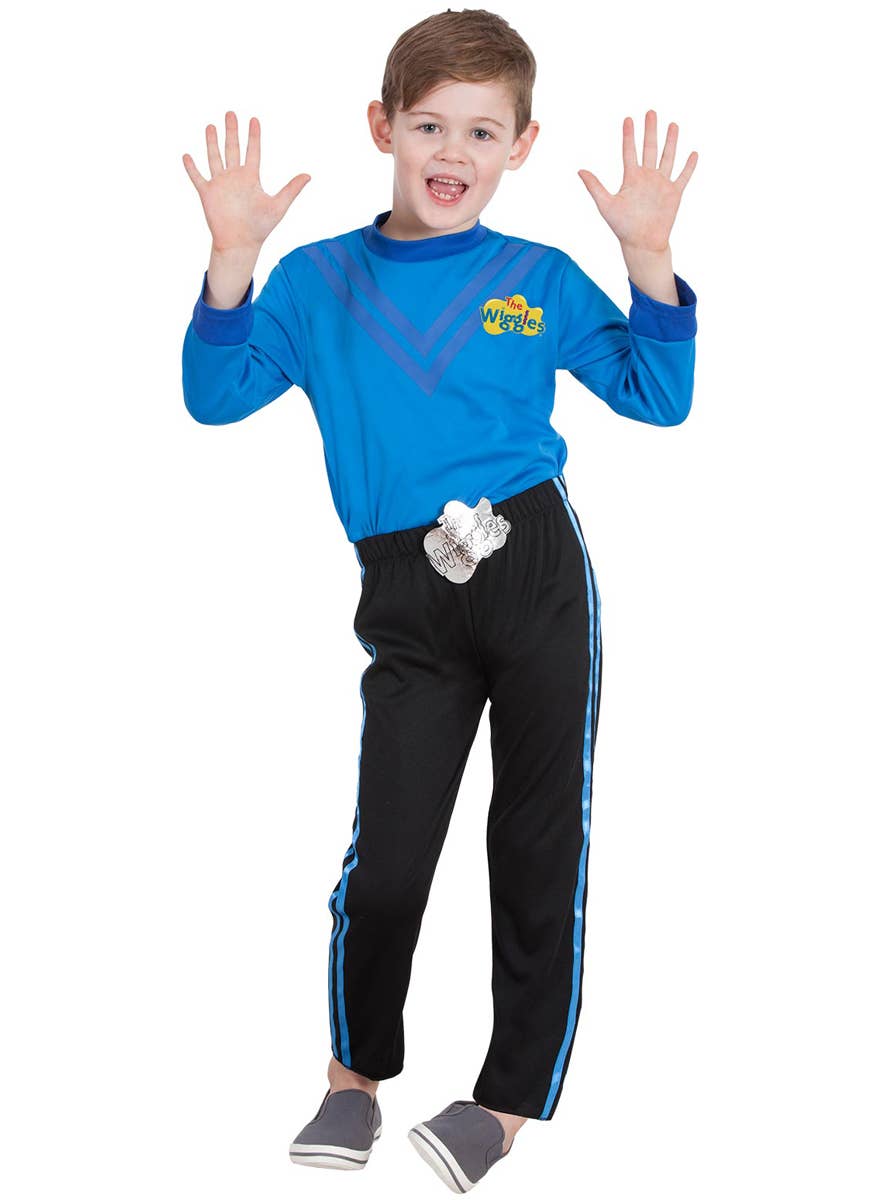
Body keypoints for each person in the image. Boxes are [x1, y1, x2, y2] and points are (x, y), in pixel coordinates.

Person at [181, 7, 698, 1191]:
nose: (451, 151)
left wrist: (650, 261)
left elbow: (656, 398)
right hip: (406, 593)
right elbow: (215, 398)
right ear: (383, 128)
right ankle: (353, 1077)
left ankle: (505, 1106)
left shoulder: (535, 279)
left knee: (536, 839)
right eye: (427, 125)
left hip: (533, 571)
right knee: (391, 855)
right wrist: (230, 265)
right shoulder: (317, 281)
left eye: (481, 130)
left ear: (521, 145)